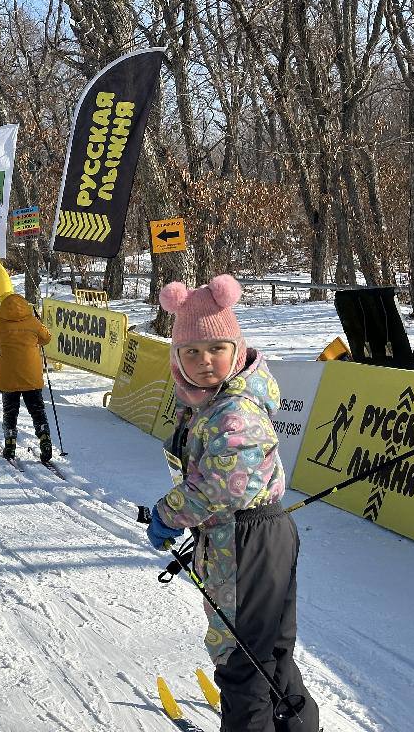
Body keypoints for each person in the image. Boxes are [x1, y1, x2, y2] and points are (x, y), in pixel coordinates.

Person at [144, 275, 319, 732]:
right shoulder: (210, 403)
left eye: (216, 348)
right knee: (268, 653)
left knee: (243, 662)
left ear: (236, 349)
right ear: (177, 357)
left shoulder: (233, 409)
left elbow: (228, 483)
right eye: (192, 351)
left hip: (245, 539)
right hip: (244, 536)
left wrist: (169, 512)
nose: (205, 362)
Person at [0, 293, 53, 462]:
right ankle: (45, 438)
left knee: (10, 411)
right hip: (31, 377)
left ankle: (10, 442)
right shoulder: (33, 322)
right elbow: (46, 338)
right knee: (37, 410)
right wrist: (39, 323)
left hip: (8, 377)